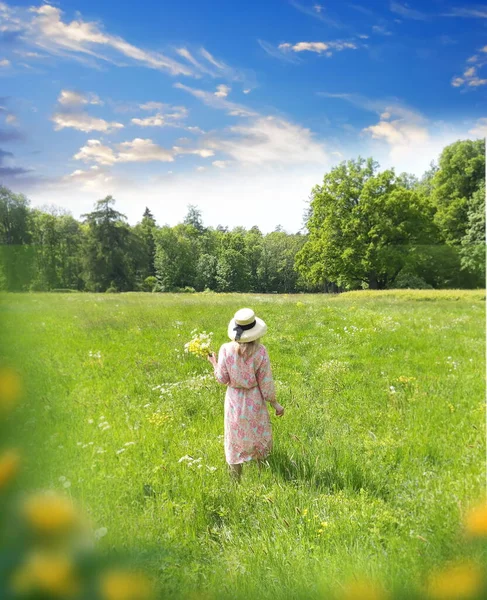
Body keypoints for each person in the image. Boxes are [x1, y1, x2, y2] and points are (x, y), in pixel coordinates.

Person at [208, 308, 284, 480]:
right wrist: (275, 404)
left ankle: (235, 480)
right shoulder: (260, 351)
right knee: (258, 435)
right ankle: (262, 475)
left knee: (234, 438)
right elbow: (266, 382)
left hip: (234, 400)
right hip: (254, 399)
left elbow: (222, 378)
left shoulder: (225, 349)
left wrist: (214, 363)